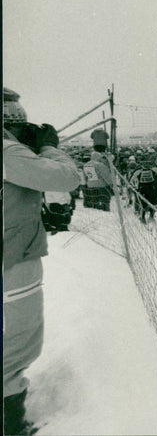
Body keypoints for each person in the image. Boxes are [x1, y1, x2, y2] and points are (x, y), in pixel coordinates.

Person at [3, 88, 81, 435]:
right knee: (20, 342)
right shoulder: (7, 151)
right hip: (12, 258)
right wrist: (50, 147)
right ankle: (11, 424)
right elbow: (65, 177)